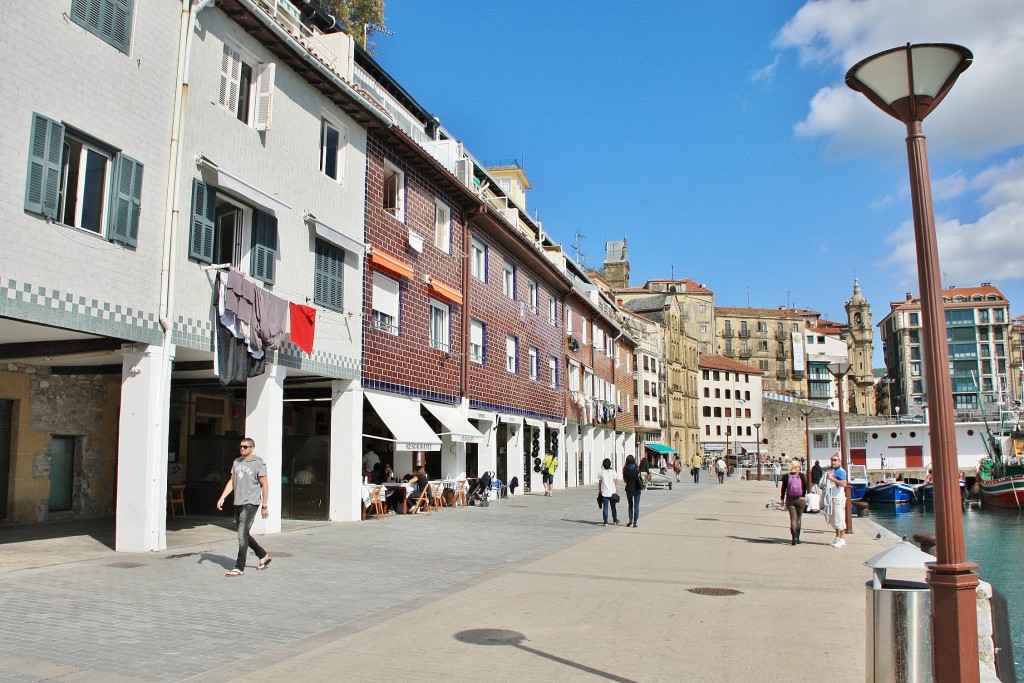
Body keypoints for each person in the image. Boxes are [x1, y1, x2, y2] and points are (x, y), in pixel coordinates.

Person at [216, 437, 271, 576]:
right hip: (238, 502)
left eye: (245, 447)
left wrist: (265, 505)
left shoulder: (258, 464)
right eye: (241, 446)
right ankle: (262, 555)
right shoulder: (236, 462)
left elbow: (265, 485)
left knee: (241, 535)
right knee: (244, 534)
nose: (242, 449)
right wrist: (222, 497)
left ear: (252, 448)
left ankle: (239, 567)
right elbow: (232, 481)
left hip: (251, 503)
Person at [823, 453, 849, 548]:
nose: (833, 462)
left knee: (839, 519)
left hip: (838, 498)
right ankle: (837, 537)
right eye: (832, 460)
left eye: (835, 460)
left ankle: (842, 539)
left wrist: (832, 478)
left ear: (839, 462)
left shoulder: (840, 471)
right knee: (834, 520)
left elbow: (844, 483)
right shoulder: (833, 471)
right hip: (832, 498)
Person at [780, 460, 808, 545]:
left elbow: (783, 488)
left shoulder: (786, 476)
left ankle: (794, 538)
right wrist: (803, 495)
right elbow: (805, 486)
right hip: (800, 499)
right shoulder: (801, 475)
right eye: (799, 466)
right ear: (796, 467)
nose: (800, 468)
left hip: (790, 499)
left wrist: (782, 498)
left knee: (793, 518)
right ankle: (798, 537)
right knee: (799, 518)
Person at [597, 458, 619, 526]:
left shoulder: (601, 472)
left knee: (605, 508)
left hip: (604, 492)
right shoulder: (613, 472)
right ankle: (615, 520)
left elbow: (600, 483)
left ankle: (605, 522)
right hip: (612, 492)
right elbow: (616, 482)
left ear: (603, 465)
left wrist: (600, 491)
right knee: (613, 507)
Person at [622, 455, 642, 528]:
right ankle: (635, 522)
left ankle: (630, 520)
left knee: (630, 505)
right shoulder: (637, 468)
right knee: (636, 506)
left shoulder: (625, 469)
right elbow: (640, 476)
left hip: (629, 488)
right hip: (637, 488)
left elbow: (625, 480)